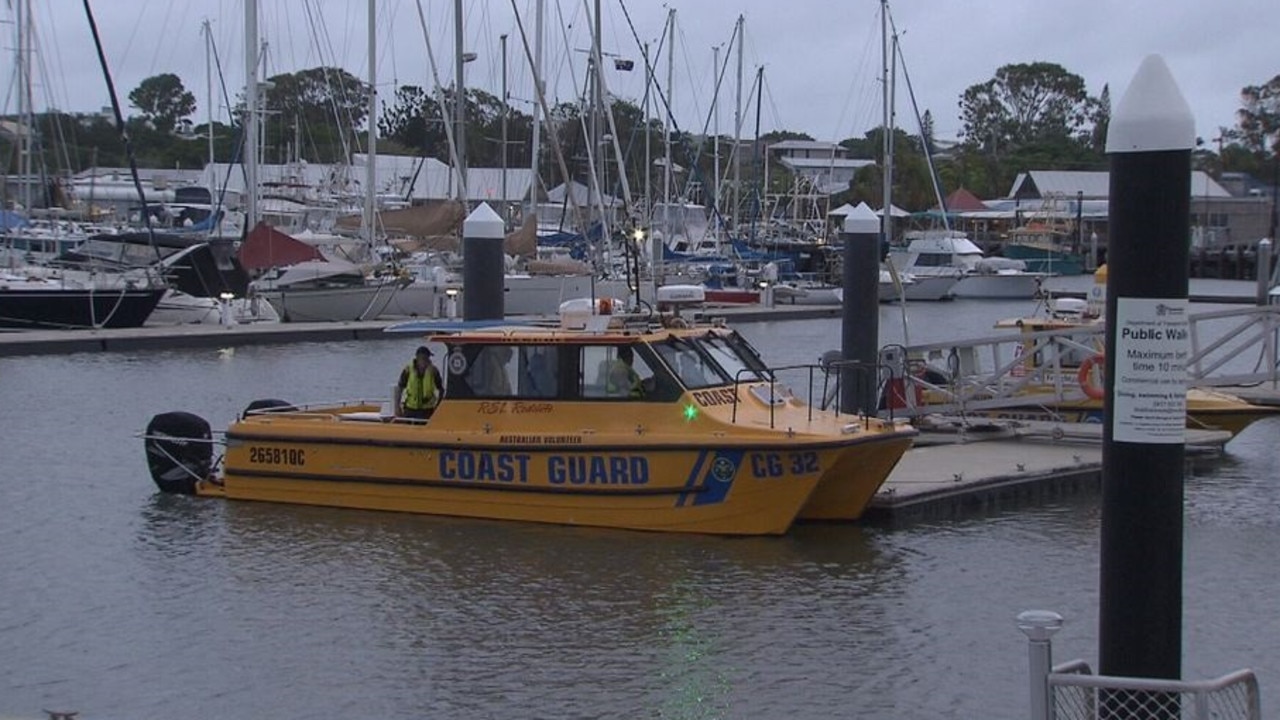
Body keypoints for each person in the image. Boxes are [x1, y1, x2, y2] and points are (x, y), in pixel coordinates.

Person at [395, 345, 443, 420]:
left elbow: (441, 389)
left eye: (427, 358)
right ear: (417, 358)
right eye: (423, 358)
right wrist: (397, 407)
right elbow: (400, 388)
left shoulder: (434, 371)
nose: (425, 361)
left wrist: (438, 406)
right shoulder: (408, 370)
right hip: (410, 409)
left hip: (427, 410)